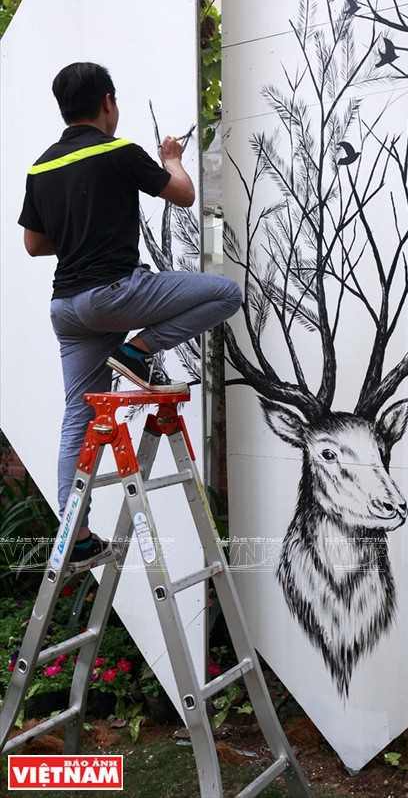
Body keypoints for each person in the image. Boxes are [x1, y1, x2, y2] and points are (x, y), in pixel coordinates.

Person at [18, 62, 242, 569]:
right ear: (108, 103)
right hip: (115, 295)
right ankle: (136, 351)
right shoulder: (119, 152)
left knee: (79, 412)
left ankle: (74, 536)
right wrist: (171, 157)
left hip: (67, 310)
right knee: (225, 293)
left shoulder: (41, 167)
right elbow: (183, 194)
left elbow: (34, 245)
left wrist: (79, 235)